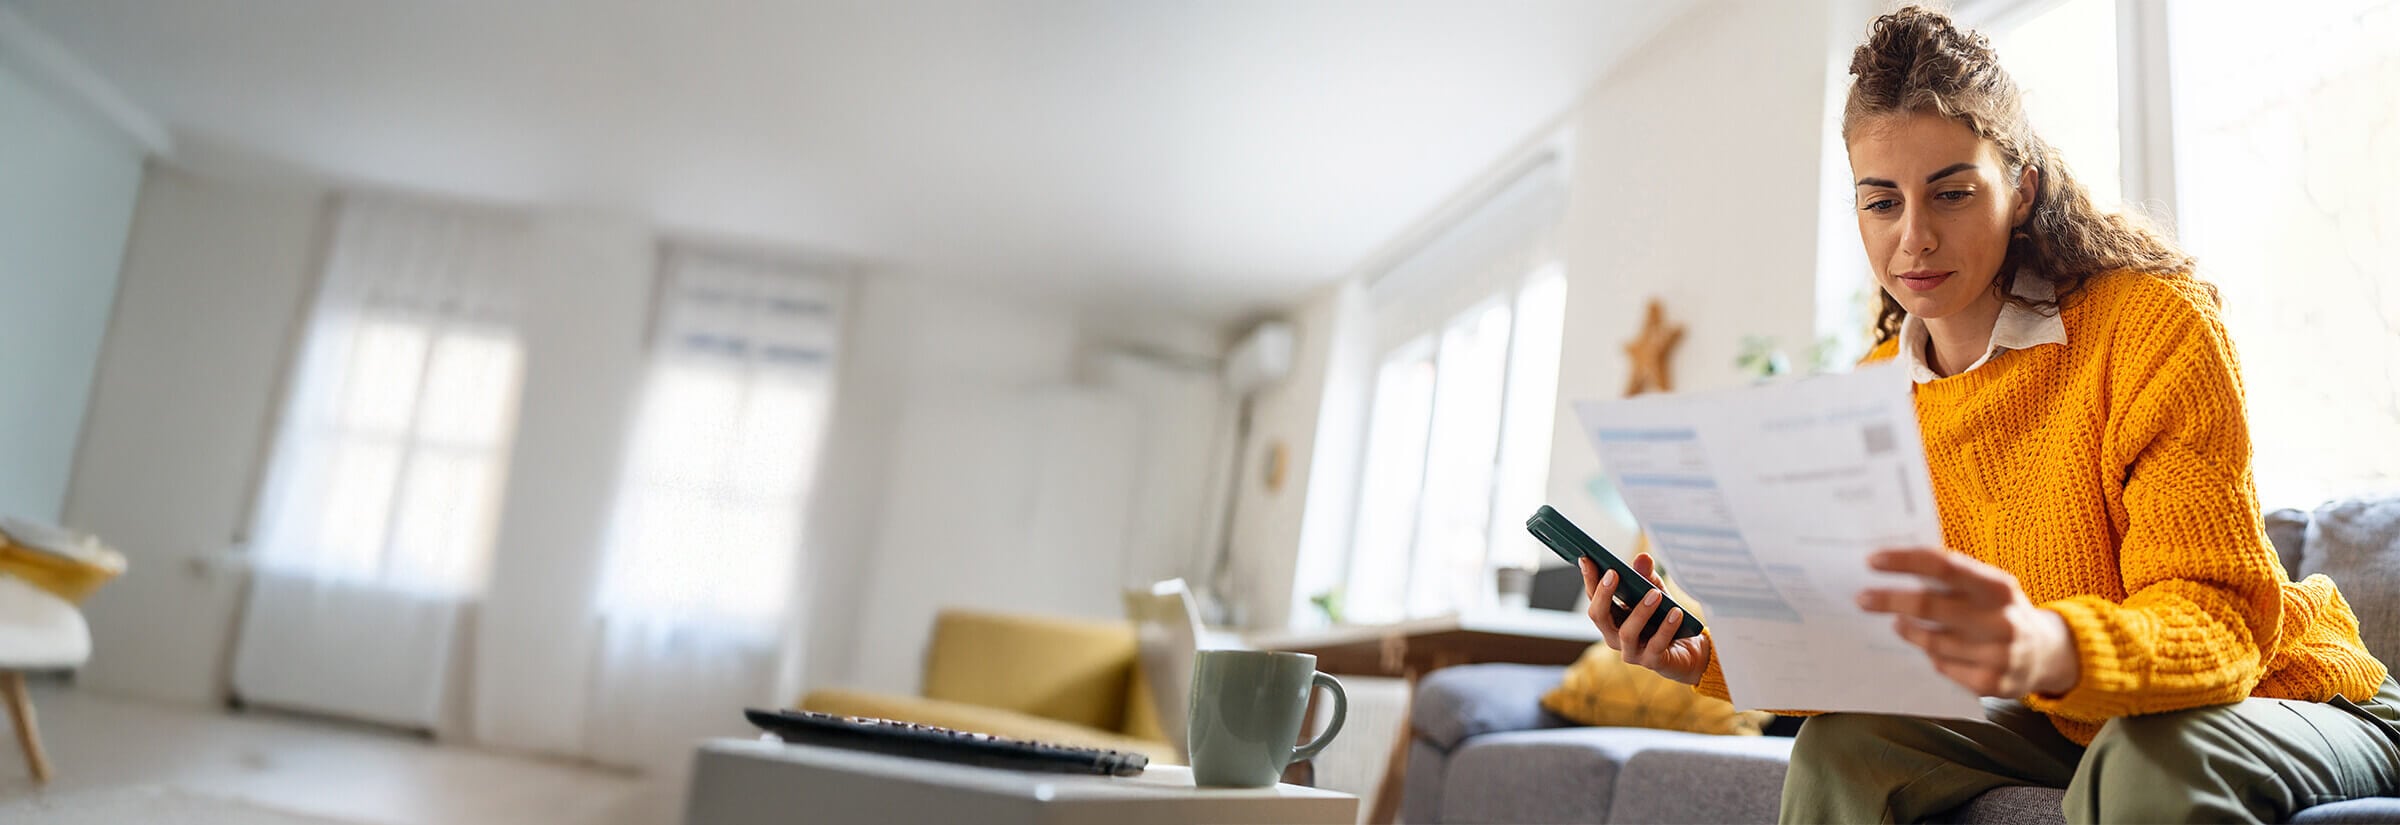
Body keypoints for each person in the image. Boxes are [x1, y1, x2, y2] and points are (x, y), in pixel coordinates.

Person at [1577, 6, 2400, 823]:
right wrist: (1703, 659)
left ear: (2021, 188)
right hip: (2070, 713)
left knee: (2147, 755)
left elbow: (2221, 623)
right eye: (1882, 202)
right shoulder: (1874, 392)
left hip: (2285, 692)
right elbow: (1862, 654)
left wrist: (2041, 644)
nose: (1914, 240)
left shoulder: (2151, 326)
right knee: (1843, 746)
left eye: (1952, 192)